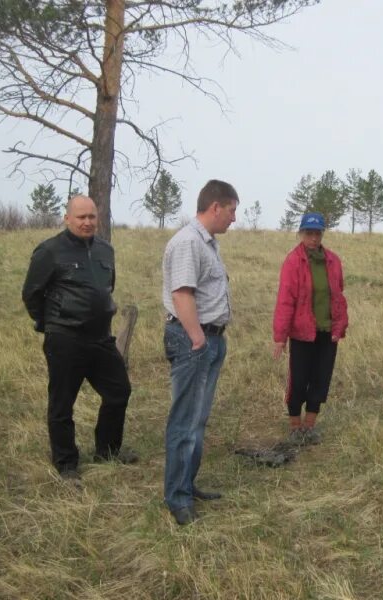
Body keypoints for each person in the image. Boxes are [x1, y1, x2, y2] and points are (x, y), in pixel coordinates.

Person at [22, 195, 135, 482]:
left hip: (100, 338)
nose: (87, 222)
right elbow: (32, 294)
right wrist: (51, 325)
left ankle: (107, 452)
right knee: (62, 403)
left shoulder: (105, 251)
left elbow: (107, 288)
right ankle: (66, 463)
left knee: (118, 391)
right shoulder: (49, 251)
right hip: (65, 338)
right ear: (67, 218)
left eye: (92, 217)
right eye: (81, 217)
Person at [162, 179, 238, 525]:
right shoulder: (188, 242)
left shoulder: (208, 244)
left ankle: (187, 485)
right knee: (185, 421)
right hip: (195, 340)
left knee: (198, 420)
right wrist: (196, 339)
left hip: (209, 339)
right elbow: (182, 294)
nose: (234, 218)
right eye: (232, 210)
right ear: (215, 207)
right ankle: (177, 498)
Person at [272, 212, 348, 446]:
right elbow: (286, 300)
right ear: (301, 233)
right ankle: (295, 426)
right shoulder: (293, 261)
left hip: (328, 332)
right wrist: (280, 337)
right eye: (308, 233)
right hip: (302, 333)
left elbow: (339, 294)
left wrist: (340, 324)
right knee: (299, 380)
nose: (313, 238)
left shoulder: (333, 260)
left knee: (321, 379)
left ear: (322, 234)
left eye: (317, 233)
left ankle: (309, 426)